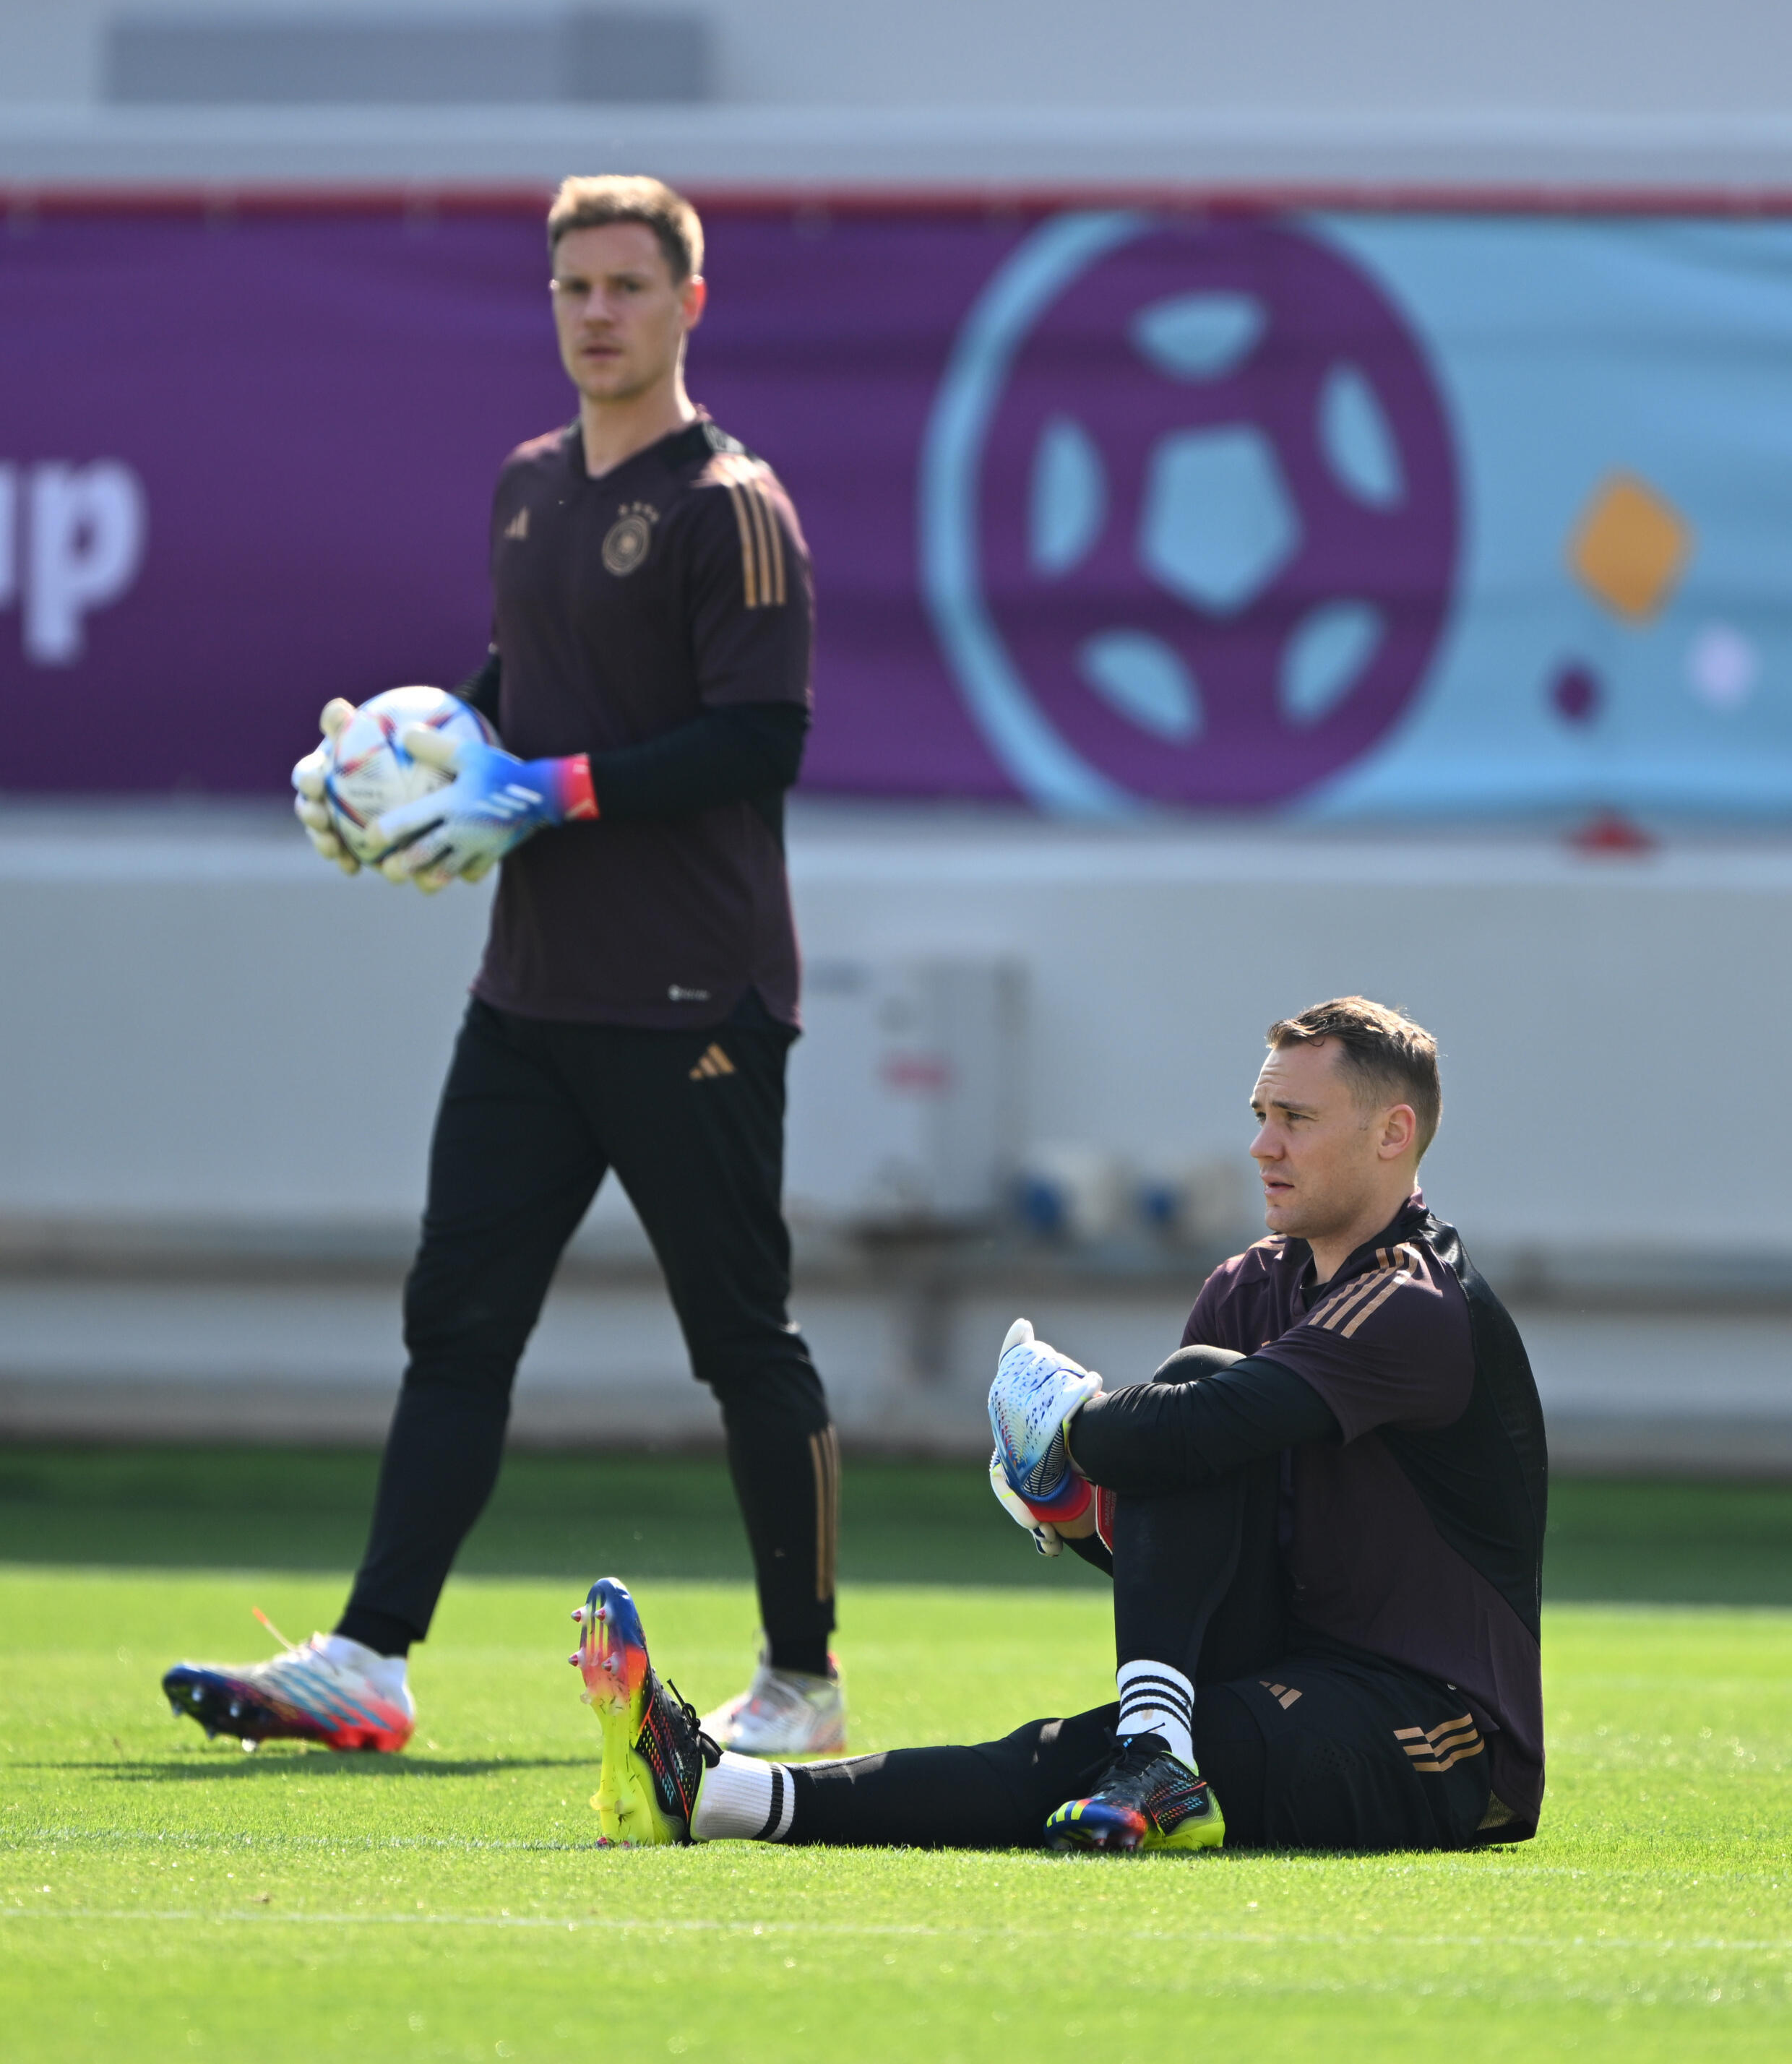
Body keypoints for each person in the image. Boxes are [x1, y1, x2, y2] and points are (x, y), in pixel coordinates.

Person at [162, 174, 845, 1761]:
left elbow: (763, 736)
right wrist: (394, 771)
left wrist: (553, 790)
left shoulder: (731, 502)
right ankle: (369, 1657)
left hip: (694, 999)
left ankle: (803, 1681)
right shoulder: (529, 484)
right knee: (456, 1329)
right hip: (528, 997)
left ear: (689, 302)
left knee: (742, 1340)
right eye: (573, 286)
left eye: (627, 285)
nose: (597, 312)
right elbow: (514, 688)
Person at [567, 998, 1547, 1854]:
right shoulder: (1245, 1288)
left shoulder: (1415, 1300)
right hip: (1282, 1671)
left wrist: (1073, 1422)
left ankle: (730, 1790)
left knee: (1073, 1742)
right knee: (1092, 1736)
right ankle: (719, 1790)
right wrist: (1079, 1514)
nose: (1262, 1146)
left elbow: (1177, 1431)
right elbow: (1187, 1553)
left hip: (1439, 1733)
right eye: (1261, 1116)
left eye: (1296, 1119)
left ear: (1393, 1134)